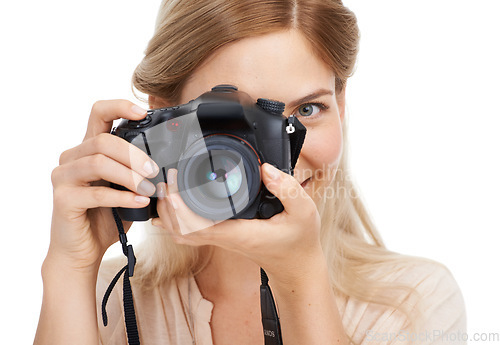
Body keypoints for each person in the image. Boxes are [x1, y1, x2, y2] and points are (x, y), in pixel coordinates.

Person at [34, 0, 466, 344]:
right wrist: (70, 267)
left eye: (309, 110)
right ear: (165, 116)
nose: (276, 161)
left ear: (342, 105)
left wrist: (300, 277)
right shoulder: (106, 299)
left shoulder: (415, 302)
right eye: (236, 119)